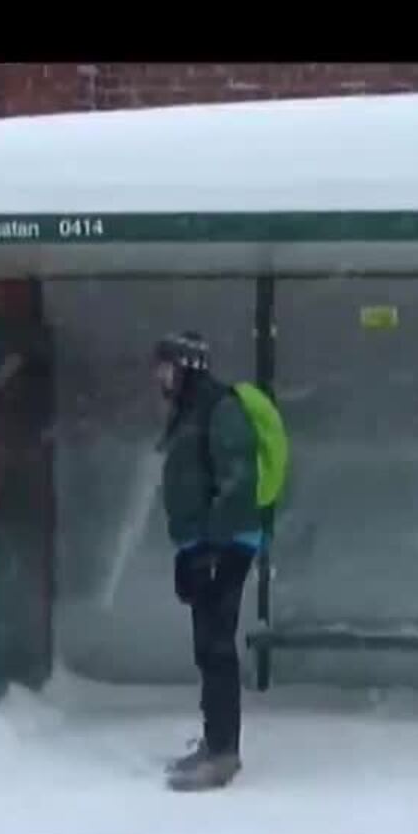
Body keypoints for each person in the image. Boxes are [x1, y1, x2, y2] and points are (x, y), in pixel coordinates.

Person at [153, 332, 261, 791]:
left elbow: (238, 483)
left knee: (217, 646)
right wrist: (191, 551)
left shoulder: (219, 408)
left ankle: (222, 755)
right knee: (207, 645)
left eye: (164, 366)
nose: (157, 376)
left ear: (186, 366)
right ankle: (215, 741)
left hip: (227, 545)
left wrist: (212, 550)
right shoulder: (191, 411)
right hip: (205, 545)